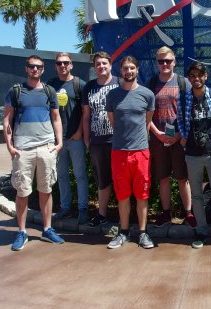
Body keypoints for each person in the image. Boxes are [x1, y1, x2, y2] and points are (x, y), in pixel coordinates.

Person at [2, 55, 64, 251]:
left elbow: (56, 118)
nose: (35, 70)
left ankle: (47, 228)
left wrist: (59, 142)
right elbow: (7, 119)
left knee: (46, 190)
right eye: (31, 66)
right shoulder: (16, 91)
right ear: (26, 69)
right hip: (23, 149)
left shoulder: (49, 91)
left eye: (38, 67)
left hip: (46, 147)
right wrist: (10, 146)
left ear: (43, 70)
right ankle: (21, 232)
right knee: (22, 192)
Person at [176, 61, 211, 251]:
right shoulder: (183, 98)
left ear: (205, 76)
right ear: (189, 78)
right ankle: (201, 231)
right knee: (197, 195)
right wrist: (183, 136)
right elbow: (181, 119)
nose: (196, 79)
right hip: (192, 154)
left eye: (200, 75)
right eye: (192, 76)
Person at [105, 56, 156, 249]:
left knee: (142, 194)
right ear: (121, 71)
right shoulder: (113, 96)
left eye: (132, 68)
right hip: (119, 152)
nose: (128, 71)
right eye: (125, 68)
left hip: (141, 152)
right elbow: (113, 121)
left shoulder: (147, 94)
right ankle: (123, 232)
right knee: (122, 195)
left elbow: (147, 121)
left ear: (137, 69)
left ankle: (143, 233)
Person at [147, 46, 196, 228]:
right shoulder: (151, 84)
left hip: (179, 139)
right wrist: (156, 133)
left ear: (174, 62)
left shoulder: (183, 83)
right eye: (161, 61)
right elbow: (146, 113)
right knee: (163, 178)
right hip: (158, 139)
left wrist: (180, 134)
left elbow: (192, 110)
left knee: (183, 178)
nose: (165, 64)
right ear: (157, 63)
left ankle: (189, 213)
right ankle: (166, 213)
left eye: (168, 61)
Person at [47, 52, 89, 224]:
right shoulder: (50, 85)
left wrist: (80, 131)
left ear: (71, 64)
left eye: (66, 63)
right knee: (62, 175)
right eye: (59, 63)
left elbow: (86, 112)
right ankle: (65, 207)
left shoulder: (80, 85)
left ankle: (83, 208)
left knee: (80, 175)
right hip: (58, 140)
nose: (62, 66)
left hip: (75, 137)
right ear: (56, 66)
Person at [81, 52, 121, 227]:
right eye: (98, 64)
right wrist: (87, 139)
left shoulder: (120, 83)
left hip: (119, 141)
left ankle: (123, 216)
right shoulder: (89, 87)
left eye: (104, 63)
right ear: (94, 67)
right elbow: (86, 116)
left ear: (110, 65)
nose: (101, 66)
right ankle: (102, 215)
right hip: (98, 142)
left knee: (121, 180)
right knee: (102, 180)